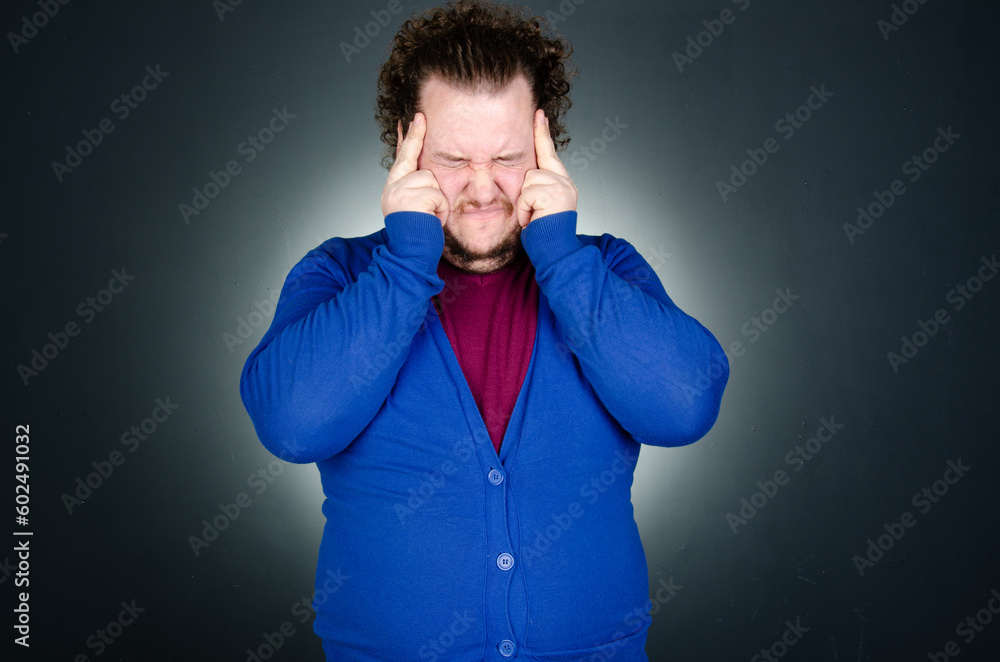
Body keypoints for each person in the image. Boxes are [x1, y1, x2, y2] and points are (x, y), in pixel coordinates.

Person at [239, 1, 729, 659]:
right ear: (403, 148)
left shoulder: (603, 268)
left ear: (544, 147)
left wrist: (559, 253)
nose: (481, 188)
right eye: (450, 158)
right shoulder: (341, 274)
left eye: (506, 157)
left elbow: (683, 408)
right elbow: (293, 424)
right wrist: (406, 259)